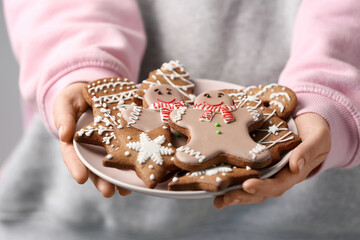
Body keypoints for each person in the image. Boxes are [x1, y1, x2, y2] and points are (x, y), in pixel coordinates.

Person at [1, 0, 359, 239]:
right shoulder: (186, 114)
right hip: (83, 217)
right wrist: (79, 64)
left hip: (312, 217)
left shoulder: (225, 114)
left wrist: (330, 101)